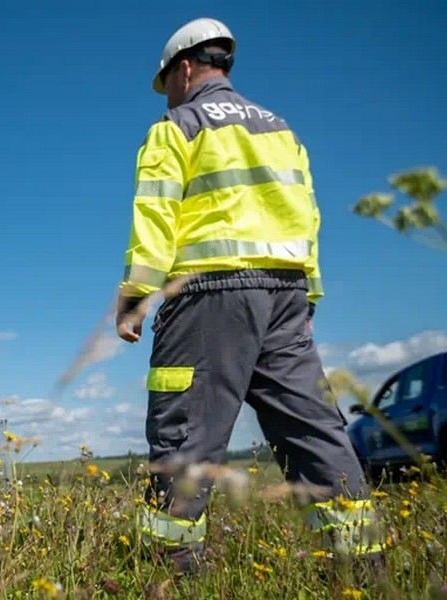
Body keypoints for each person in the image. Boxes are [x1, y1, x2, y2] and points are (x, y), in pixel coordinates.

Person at [114, 17, 384, 575]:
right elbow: (308, 214)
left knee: (185, 435)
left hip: (209, 294)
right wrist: (308, 294)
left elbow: (157, 212)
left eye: (166, 81)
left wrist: (136, 293)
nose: (167, 92)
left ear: (184, 68)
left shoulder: (178, 125)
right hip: (285, 296)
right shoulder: (281, 130)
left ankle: (174, 578)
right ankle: (366, 576)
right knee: (314, 434)